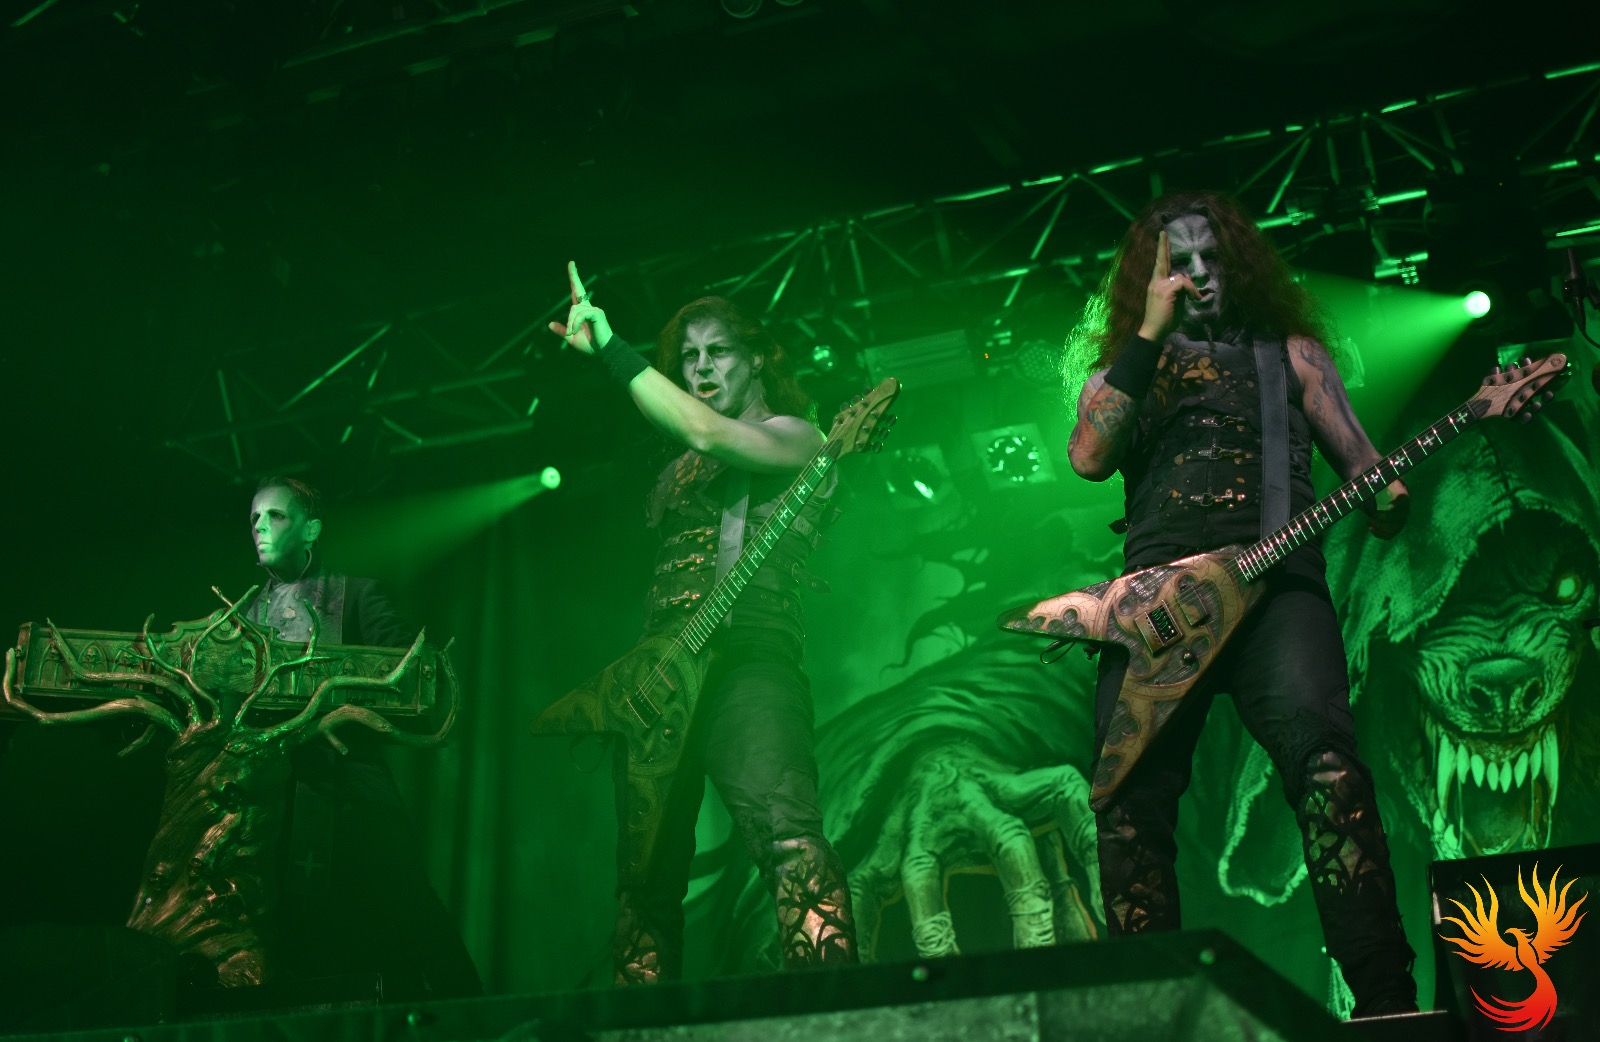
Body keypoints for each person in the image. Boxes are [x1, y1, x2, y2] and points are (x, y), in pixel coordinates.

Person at [1064, 192, 1417, 1017]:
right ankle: (1150, 1011)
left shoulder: (1294, 355)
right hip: (1157, 605)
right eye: (1178, 263)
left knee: (1330, 775)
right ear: (1151, 278)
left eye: (1211, 258)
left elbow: (1364, 463)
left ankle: (1387, 1002)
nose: (1198, 275)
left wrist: (1389, 496)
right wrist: (1148, 334)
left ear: (1239, 263)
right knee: (1126, 804)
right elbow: (1088, 457)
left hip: (1279, 589)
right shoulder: (1123, 370)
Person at [549, 261, 858, 984]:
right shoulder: (676, 472)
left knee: (789, 841)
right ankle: (642, 1027)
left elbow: (708, 432)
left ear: (757, 360)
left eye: (718, 351)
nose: (702, 367)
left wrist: (610, 350)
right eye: (689, 357)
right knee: (643, 884)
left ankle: (838, 1008)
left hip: (751, 662)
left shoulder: (797, 435)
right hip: (662, 679)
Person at [241, 477, 481, 999]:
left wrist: (333, 710)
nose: (260, 526)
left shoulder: (356, 594)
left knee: (405, 904)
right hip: (272, 795)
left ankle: (469, 1016)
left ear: (311, 529)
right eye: (255, 517)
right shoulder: (242, 617)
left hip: (348, 785)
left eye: (275, 515)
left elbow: (409, 676)